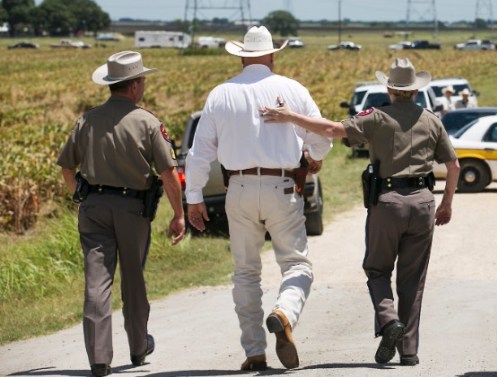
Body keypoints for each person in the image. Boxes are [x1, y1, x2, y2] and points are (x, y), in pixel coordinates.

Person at [261, 57, 460, 366]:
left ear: (389, 88)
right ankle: (408, 351)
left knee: (378, 269)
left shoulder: (377, 116)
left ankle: (389, 320)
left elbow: (331, 129)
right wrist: (447, 202)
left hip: (388, 201)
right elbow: (454, 165)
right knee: (413, 279)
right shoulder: (432, 120)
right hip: (423, 202)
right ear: (417, 90)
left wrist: (290, 116)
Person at [184, 25, 332, 371]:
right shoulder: (291, 89)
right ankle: (284, 311)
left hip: (239, 188)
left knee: (245, 272)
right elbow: (321, 135)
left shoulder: (220, 94)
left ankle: (254, 351)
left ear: (240, 56)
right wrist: (313, 156)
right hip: (281, 187)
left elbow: (199, 152)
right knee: (296, 264)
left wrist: (194, 198)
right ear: (272, 54)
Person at [57, 51, 186, 377]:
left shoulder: (86, 120)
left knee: (97, 281)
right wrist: (178, 214)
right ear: (134, 85)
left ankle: (99, 359)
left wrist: (79, 197)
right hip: (132, 209)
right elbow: (169, 173)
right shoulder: (148, 122)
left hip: (93, 208)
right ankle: (139, 346)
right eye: (142, 80)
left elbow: (66, 166)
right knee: (133, 278)